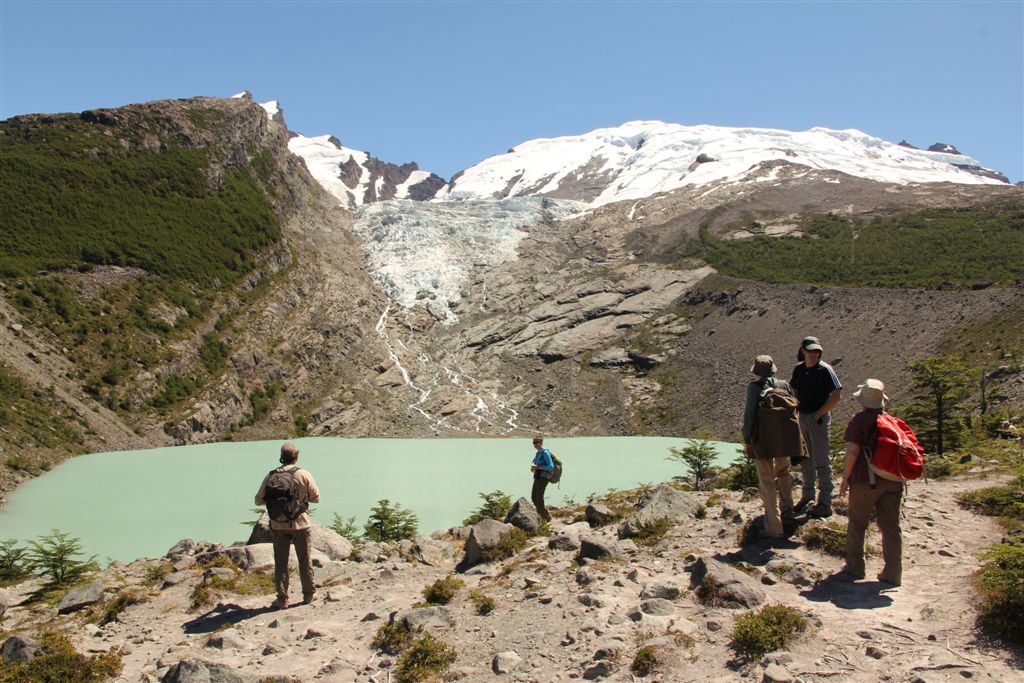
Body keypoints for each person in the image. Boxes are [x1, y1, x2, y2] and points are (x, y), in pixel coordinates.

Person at [837, 379, 904, 585]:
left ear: (863, 400)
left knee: (857, 523)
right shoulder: (891, 421)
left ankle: (855, 567)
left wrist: (845, 478)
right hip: (893, 480)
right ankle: (893, 572)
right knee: (891, 526)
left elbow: (853, 452)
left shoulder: (859, 420)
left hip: (865, 480)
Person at [255, 443, 321, 608]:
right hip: (300, 524)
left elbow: (258, 500)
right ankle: (308, 595)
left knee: (281, 562)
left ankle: (282, 598)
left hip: (278, 525)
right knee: (304, 560)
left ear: (281, 456)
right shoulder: (303, 474)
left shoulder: (271, 475)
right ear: (296, 457)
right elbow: (316, 497)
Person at [742, 355, 796, 538]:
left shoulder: (754, 388)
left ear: (756, 371)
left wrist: (747, 440)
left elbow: (749, 416)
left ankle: (774, 527)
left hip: (762, 439)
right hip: (783, 438)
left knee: (766, 481)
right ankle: (789, 514)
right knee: (783, 474)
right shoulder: (784, 385)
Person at [790, 337, 842, 518]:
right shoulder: (799, 369)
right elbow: (794, 390)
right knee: (806, 458)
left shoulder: (825, 369)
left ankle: (825, 502)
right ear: (803, 350)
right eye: (810, 351)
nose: (814, 354)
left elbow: (837, 394)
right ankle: (807, 496)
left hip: (817, 419)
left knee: (821, 459)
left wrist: (819, 414)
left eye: (816, 352)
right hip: (803, 417)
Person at [530, 436, 555, 522]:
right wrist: (535, 468)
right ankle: (543, 514)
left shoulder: (544, 452)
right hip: (538, 476)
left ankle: (544, 518)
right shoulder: (539, 452)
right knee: (534, 497)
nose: (535, 444)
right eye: (534, 442)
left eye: (537, 442)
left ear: (541, 442)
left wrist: (538, 467)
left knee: (539, 498)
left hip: (544, 477)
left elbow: (550, 466)